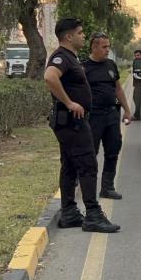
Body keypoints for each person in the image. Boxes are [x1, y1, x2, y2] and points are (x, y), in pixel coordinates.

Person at [44, 19, 120, 233]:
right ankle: (93, 215)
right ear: (69, 36)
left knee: (70, 165)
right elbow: (50, 77)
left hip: (70, 122)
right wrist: (69, 102)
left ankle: (69, 212)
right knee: (87, 165)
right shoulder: (61, 56)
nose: (83, 36)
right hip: (71, 122)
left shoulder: (71, 57)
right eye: (80, 32)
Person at [83, 33, 131, 199]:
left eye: (108, 46)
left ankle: (107, 188)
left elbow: (118, 88)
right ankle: (88, 189)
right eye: (104, 47)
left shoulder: (111, 65)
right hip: (93, 116)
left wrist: (127, 109)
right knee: (91, 153)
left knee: (113, 149)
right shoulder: (84, 67)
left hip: (111, 114)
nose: (107, 50)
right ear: (94, 47)